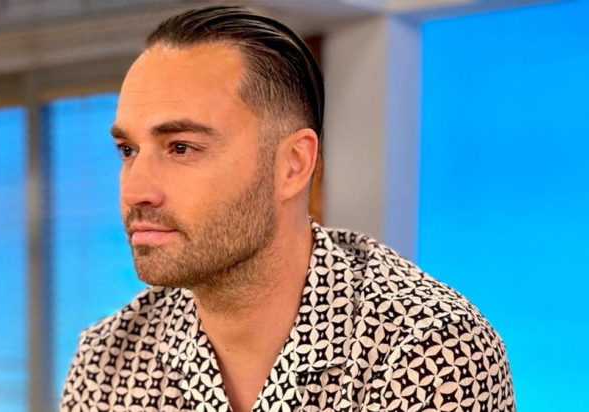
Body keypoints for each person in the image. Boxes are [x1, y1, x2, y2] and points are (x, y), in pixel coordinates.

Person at [60, 5, 515, 412]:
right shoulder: (108, 361)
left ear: (292, 165)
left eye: (181, 147)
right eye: (128, 151)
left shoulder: (426, 349)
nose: (135, 190)